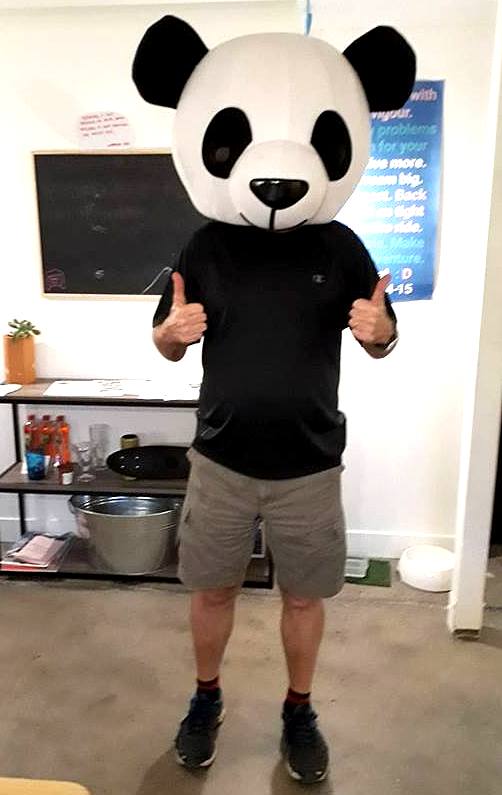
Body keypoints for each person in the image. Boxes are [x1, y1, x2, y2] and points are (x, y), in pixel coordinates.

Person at [152, 219, 397, 784]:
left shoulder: (339, 244)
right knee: (213, 591)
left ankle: (298, 711)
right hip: (221, 461)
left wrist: (381, 332)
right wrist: (171, 334)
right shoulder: (208, 242)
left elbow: (380, 340)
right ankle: (206, 699)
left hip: (309, 466)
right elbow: (167, 342)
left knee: (305, 598)